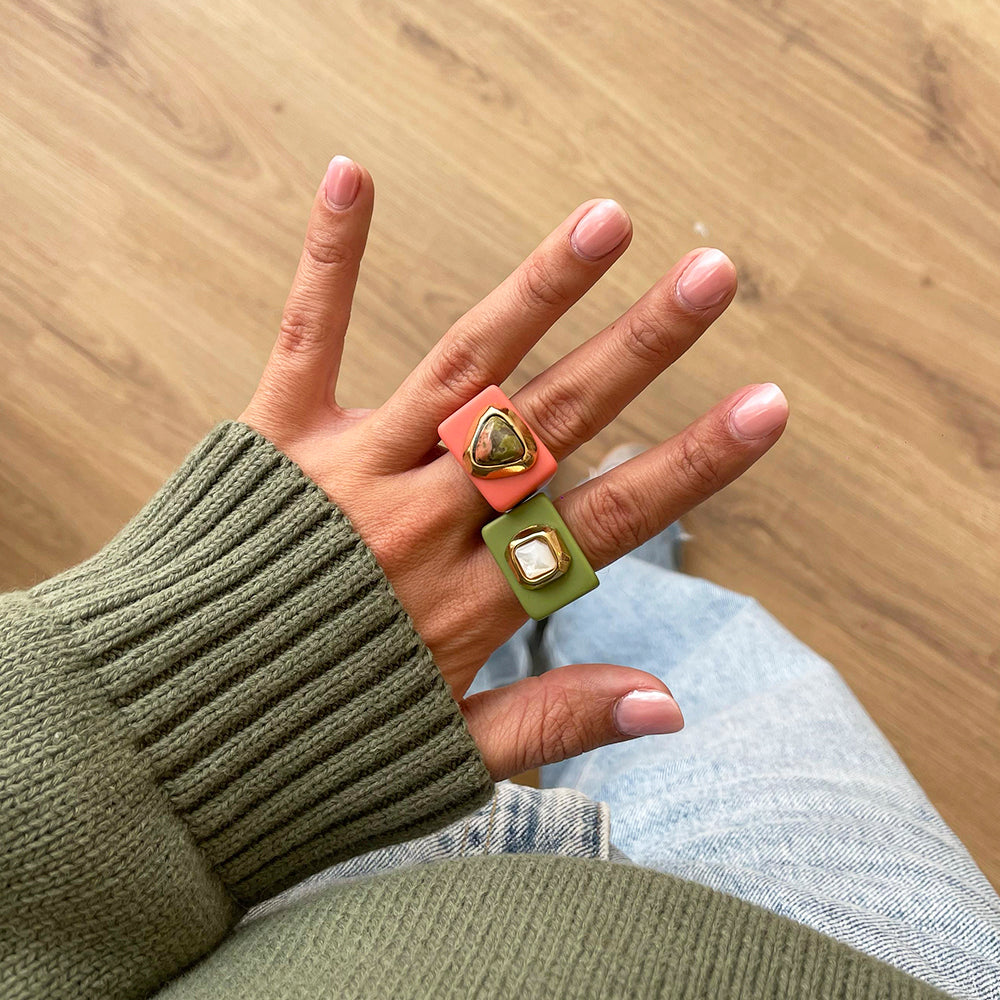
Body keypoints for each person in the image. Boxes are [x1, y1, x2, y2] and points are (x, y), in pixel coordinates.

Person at [1, 156, 997, 1000]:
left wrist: (148, 696)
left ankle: (530, 594)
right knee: (706, 664)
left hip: (323, 898)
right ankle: (565, 584)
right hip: (827, 952)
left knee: (643, 644)